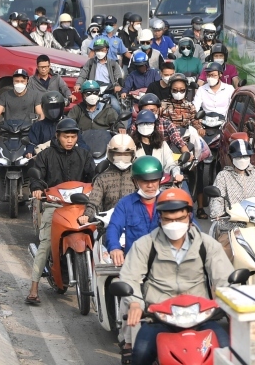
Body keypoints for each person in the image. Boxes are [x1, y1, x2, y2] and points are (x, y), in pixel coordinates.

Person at [118, 188, 233, 365]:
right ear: (160, 219)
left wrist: (229, 303)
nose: (174, 224)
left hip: (201, 317)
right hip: (158, 317)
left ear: (189, 216)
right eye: (168, 220)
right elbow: (129, 277)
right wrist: (135, 302)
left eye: (180, 219)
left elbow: (224, 278)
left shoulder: (208, 245)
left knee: (228, 352)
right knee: (140, 353)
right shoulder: (145, 245)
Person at [26, 117, 95, 304]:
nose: (70, 140)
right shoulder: (46, 155)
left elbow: (94, 176)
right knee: (46, 243)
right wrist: (37, 187)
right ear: (58, 136)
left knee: (102, 237)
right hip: (54, 206)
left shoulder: (84, 155)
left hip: (80, 207)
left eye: (73, 136)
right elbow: (36, 174)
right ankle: (33, 287)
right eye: (66, 136)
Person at [104, 156, 164, 265]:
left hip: (164, 263)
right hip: (135, 264)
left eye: (154, 180)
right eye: (145, 181)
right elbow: (114, 227)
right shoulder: (125, 204)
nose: (150, 185)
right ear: (135, 181)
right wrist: (114, 248)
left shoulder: (169, 200)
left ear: (160, 180)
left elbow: (190, 224)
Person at [78, 134, 137, 223]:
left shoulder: (138, 177)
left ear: (132, 155)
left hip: (133, 223)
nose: (122, 157)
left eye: (126, 154)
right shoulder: (102, 178)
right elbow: (94, 200)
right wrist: (87, 215)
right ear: (111, 154)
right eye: (118, 154)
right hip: (108, 225)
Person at [78, 37, 125, 111]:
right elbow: (83, 74)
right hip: (93, 91)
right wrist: (78, 84)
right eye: (98, 50)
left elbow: (118, 77)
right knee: (82, 109)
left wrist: (118, 86)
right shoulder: (90, 63)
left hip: (108, 91)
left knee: (116, 108)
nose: (100, 52)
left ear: (107, 50)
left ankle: (117, 122)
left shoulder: (113, 64)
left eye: (102, 50)